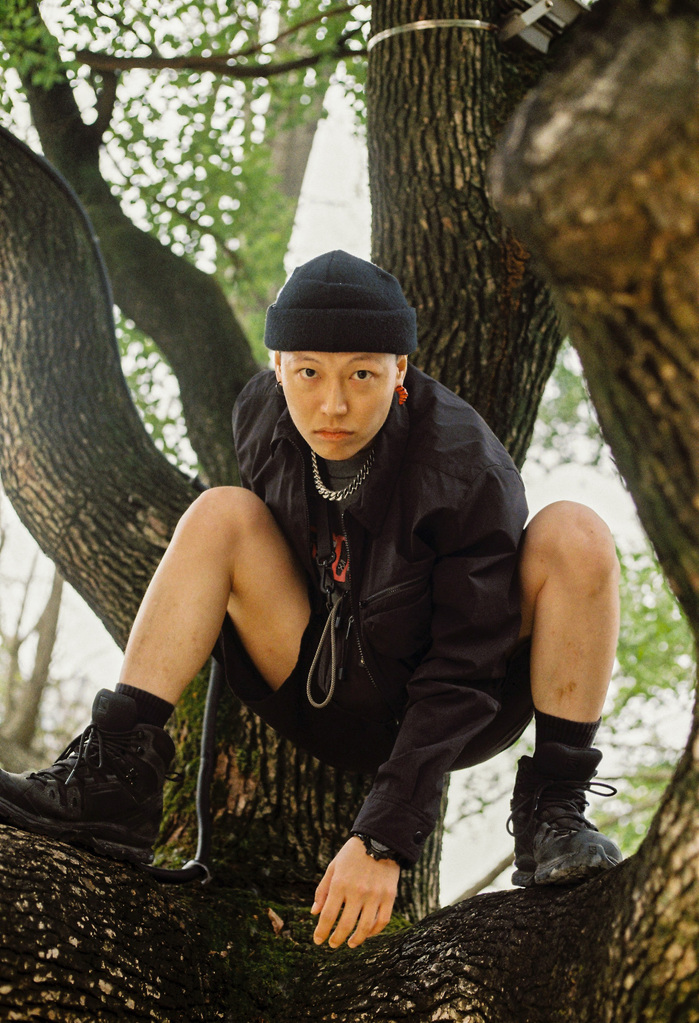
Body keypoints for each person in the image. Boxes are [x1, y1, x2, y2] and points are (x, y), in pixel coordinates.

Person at [0, 250, 622, 949]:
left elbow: (465, 667)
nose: (332, 405)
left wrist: (383, 838)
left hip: (456, 706)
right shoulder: (259, 416)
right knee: (220, 512)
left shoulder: (464, 466)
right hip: (322, 691)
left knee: (576, 533)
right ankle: (113, 781)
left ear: (400, 370)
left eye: (361, 374)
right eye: (308, 373)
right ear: (277, 367)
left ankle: (554, 811)